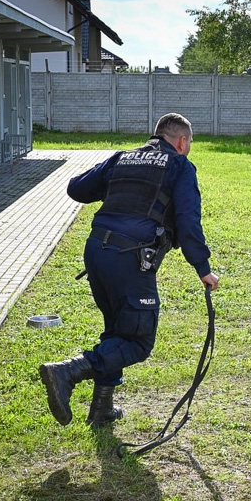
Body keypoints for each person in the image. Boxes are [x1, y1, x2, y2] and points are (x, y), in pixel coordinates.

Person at [40, 113, 219, 428]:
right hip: (130, 259)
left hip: (97, 252)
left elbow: (77, 189)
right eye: (189, 143)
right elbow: (189, 222)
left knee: (117, 331)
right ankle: (67, 371)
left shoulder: (122, 158)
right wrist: (203, 268)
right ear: (182, 141)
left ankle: (101, 409)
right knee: (137, 342)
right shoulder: (180, 166)